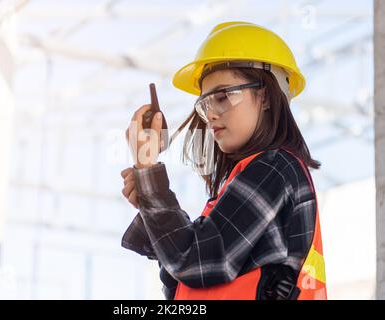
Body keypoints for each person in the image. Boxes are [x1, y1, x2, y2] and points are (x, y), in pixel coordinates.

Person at [120, 21, 327, 300]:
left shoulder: (274, 169)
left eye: (223, 96)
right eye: (206, 104)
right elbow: (183, 283)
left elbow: (198, 261)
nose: (212, 114)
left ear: (265, 96)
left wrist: (152, 186)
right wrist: (150, 201)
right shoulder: (246, 181)